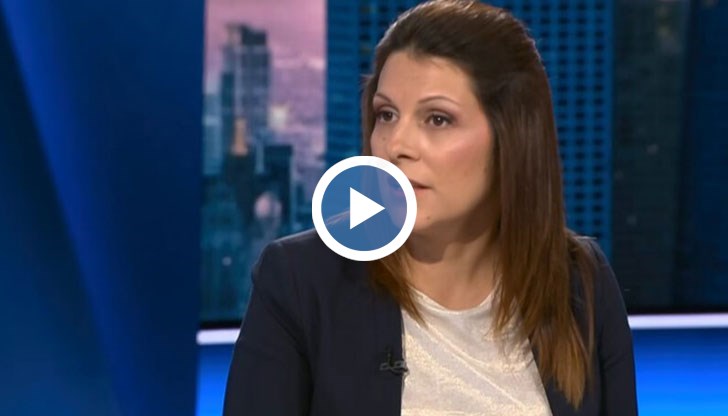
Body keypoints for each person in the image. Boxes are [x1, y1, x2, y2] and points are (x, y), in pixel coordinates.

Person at [223, 1, 638, 415]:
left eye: (437, 119)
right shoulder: (300, 283)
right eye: (386, 114)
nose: (396, 145)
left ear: (512, 138)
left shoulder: (580, 284)